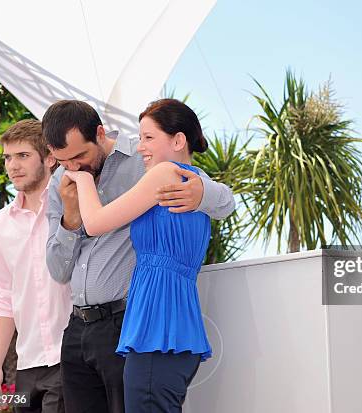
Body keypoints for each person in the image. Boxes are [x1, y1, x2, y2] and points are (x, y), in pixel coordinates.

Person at [42, 100, 234, 413]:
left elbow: (224, 201)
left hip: (148, 318)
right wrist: (69, 218)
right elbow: (58, 269)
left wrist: (204, 194)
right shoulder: (62, 182)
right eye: (65, 162)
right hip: (111, 323)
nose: (73, 168)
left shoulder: (157, 171)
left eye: (79, 157)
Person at [0, 119, 71, 413]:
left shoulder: (72, 204)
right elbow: (4, 298)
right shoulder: (1, 225)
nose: (13, 166)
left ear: (49, 158)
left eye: (23, 156)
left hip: (70, 356)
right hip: (27, 363)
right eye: (8, 157)